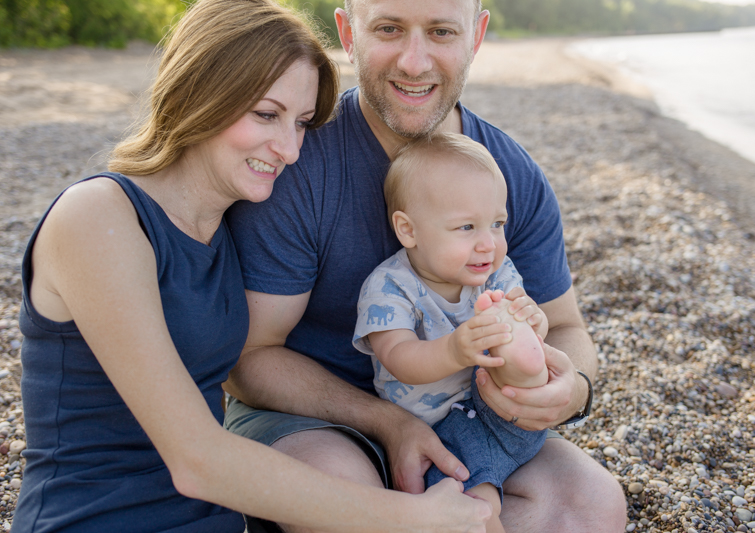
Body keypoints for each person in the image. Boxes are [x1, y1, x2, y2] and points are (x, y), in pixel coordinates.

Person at [12, 0, 492, 532]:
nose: (289, 149)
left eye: (303, 123)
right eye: (266, 114)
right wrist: (414, 519)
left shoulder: (224, 226)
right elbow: (197, 459)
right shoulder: (99, 218)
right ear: (199, 93)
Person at [223, 0, 628, 531]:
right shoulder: (296, 161)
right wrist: (387, 422)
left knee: (591, 505)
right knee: (348, 503)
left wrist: (571, 387)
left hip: (468, 420)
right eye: (389, 29)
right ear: (348, 33)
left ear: (476, 36)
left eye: (441, 32)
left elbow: (568, 325)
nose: (414, 62)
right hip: (311, 420)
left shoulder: (510, 175)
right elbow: (248, 360)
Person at [353, 132, 552, 533]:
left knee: (519, 346)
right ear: (408, 231)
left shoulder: (495, 273)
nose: (488, 244)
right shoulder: (389, 287)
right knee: (474, 506)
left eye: (497, 224)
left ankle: (527, 370)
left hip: (500, 409)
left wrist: (534, 322)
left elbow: (535, 320)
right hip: (439, 432)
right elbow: (398, 357)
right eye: (466, 227)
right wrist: (455, 350)